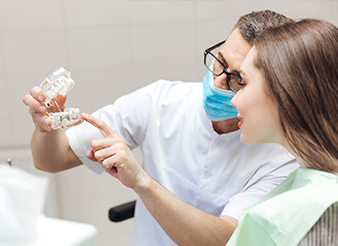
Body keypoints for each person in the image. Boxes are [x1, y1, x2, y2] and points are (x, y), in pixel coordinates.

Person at [22, 10, 298, 246]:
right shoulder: (161, 102)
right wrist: (46, 127)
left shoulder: (281, 155)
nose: (218, 83)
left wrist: (141, 181)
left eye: (237, 79)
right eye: (220, 63)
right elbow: (51, 160)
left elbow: (225, 239)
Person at [227, 18, 338, 245]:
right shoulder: (306, 179)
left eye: (244, 83)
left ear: (285, 90)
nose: (234, 101)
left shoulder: (319, 213)